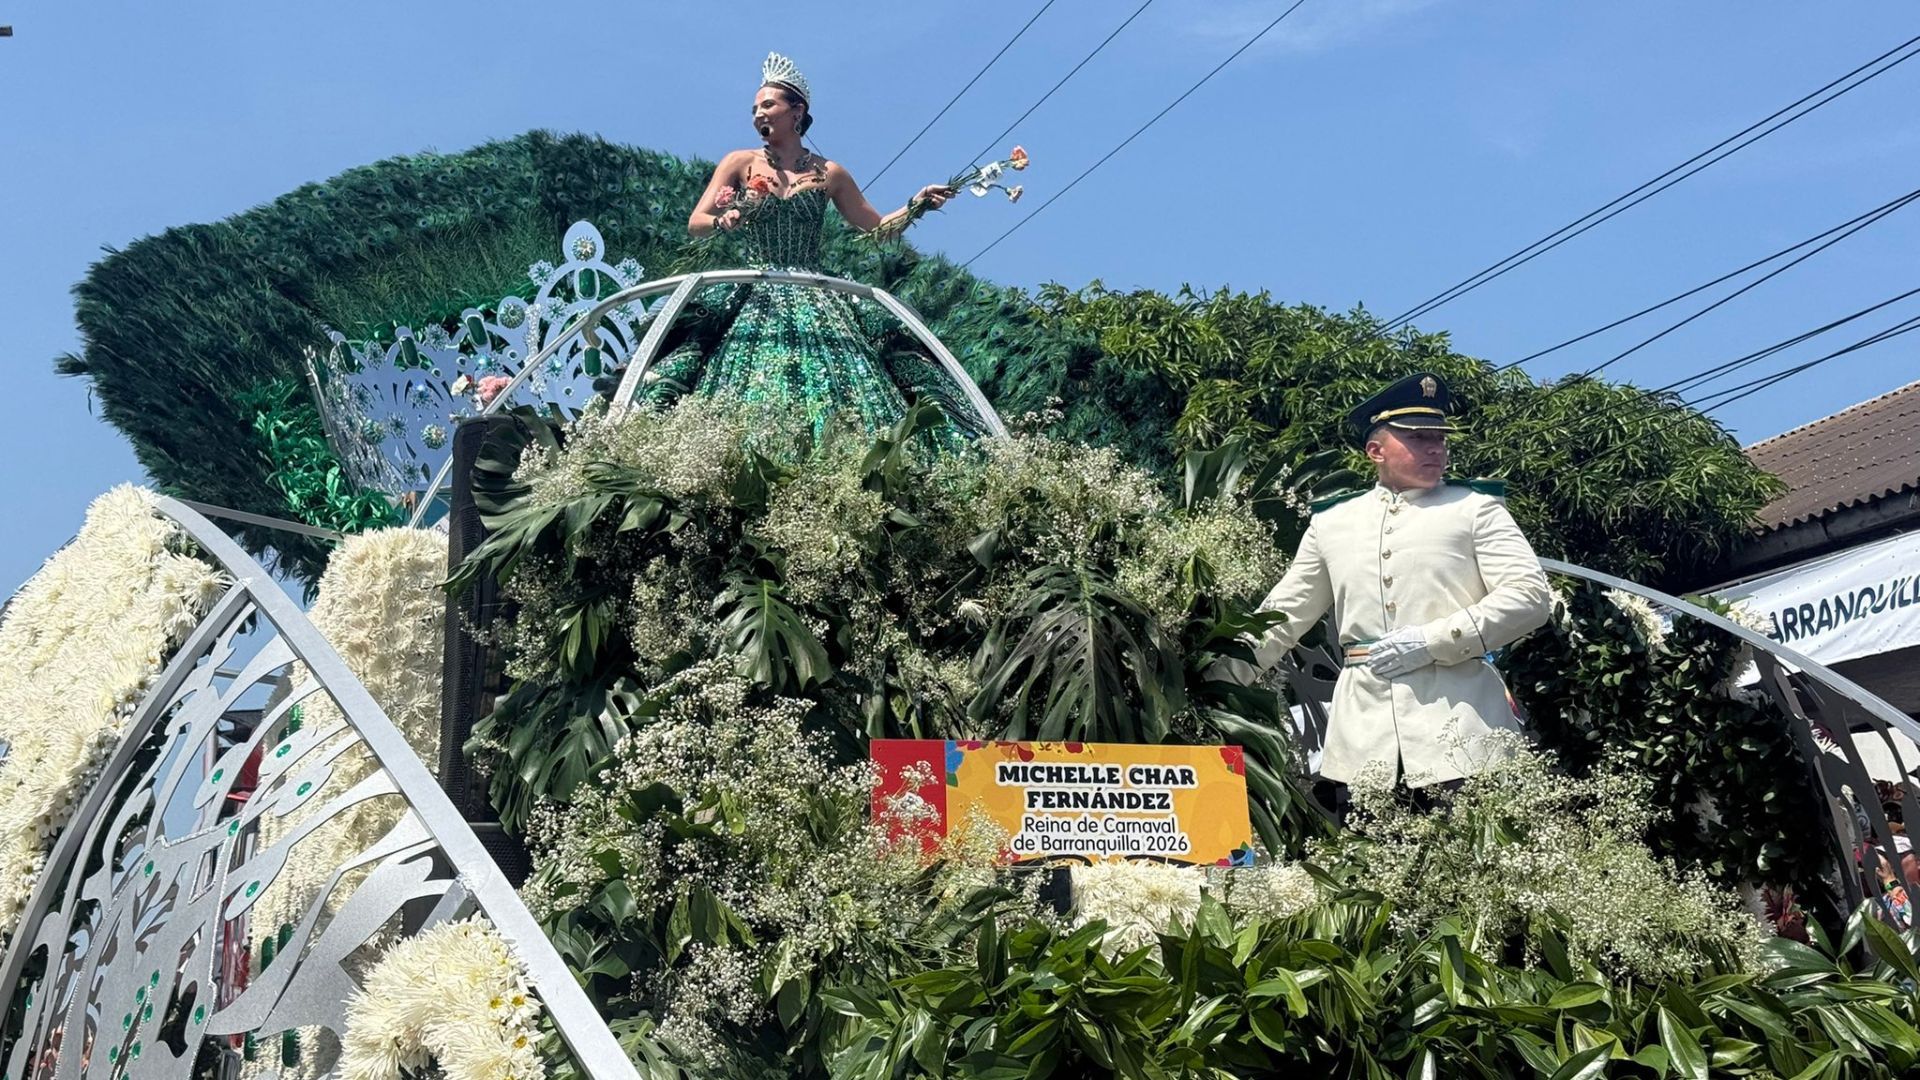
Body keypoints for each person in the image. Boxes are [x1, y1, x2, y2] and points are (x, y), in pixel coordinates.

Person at [634, 52, 994, 442]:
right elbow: (696, 222)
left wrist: (917, 204)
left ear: (796, 111)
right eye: (755, 109)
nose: (759, 115)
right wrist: (725, 220)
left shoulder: (830, 173)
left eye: (768, 105)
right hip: (755, 291)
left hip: (815, 295)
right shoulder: (739, 162)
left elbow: (876, 229)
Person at [1234, 371, 1553, 790]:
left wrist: (1433, 640)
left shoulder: (1476, 509)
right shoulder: (1333, 522)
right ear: (1375, 450)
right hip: (1361, 745)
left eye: (1439, 438)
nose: (1435, 448)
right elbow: (1284, 617)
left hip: (1465, 737)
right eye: (1418, 438)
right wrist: (1209, 678)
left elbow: (1530, 596)